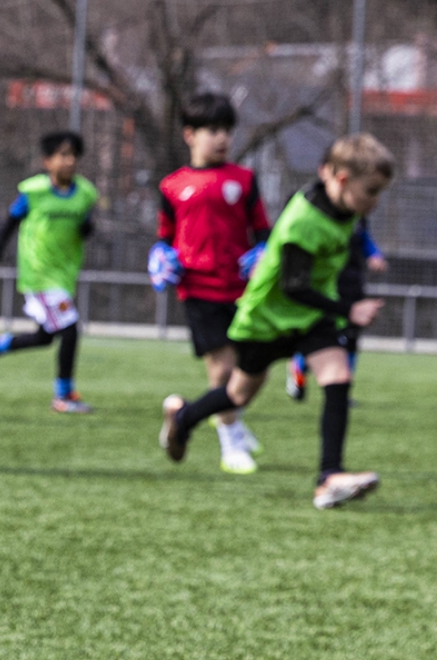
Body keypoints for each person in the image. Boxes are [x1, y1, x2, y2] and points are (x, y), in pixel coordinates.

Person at [159, 133, 393, 510]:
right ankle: (184, 418)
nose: (375, 201)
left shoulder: (346, 208)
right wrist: (348, 310)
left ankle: (329, 477)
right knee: (238, 394)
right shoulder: (305, 221)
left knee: (337, 376)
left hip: (310, 316)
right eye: (371, 191)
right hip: (268, 318)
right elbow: (294, 286)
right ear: (342, 180)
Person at [148, 92, 270, 472]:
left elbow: (263, 231)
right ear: (190, 135)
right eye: (213, 130)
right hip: (199, 289)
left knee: (257, 368)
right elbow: (165, 237)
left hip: (244, 289)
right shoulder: (172, 186)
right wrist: (159, 257)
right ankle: (230, 444)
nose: (222, 139)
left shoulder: (244, 180)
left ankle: (196, 415)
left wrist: (263, 252)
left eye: (227, 131)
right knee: (223, 370)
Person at [0, 130, 99, 413]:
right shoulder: (34, 192)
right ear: (47, 161)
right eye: (62, 155)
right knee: (70, 330)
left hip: (64, 274)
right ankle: (63, 396)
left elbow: (86, 224)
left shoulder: (86, 193)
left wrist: (87, 228)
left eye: (73, 155)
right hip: (39, 273)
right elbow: (12, 219)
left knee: (45, 337)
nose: (69, 161)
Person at [287, 222, 384, 401]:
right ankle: (298, 373)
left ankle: (343, 390)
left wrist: (375, 255)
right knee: (316, 336)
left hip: (353, 287)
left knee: (351, 339)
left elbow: (365, 239)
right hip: (327, 288)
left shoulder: (358, 220)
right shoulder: (319, 217)